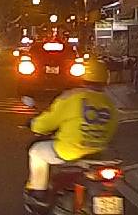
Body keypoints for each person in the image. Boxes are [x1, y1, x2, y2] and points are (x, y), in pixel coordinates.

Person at [24, 60, 119, 213]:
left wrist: (34, 125)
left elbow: (46, 123)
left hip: (69, 151)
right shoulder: (110, 103)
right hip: (98, 152)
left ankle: (38, 193)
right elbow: (113, 127)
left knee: (36, 151)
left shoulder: (72, 97)